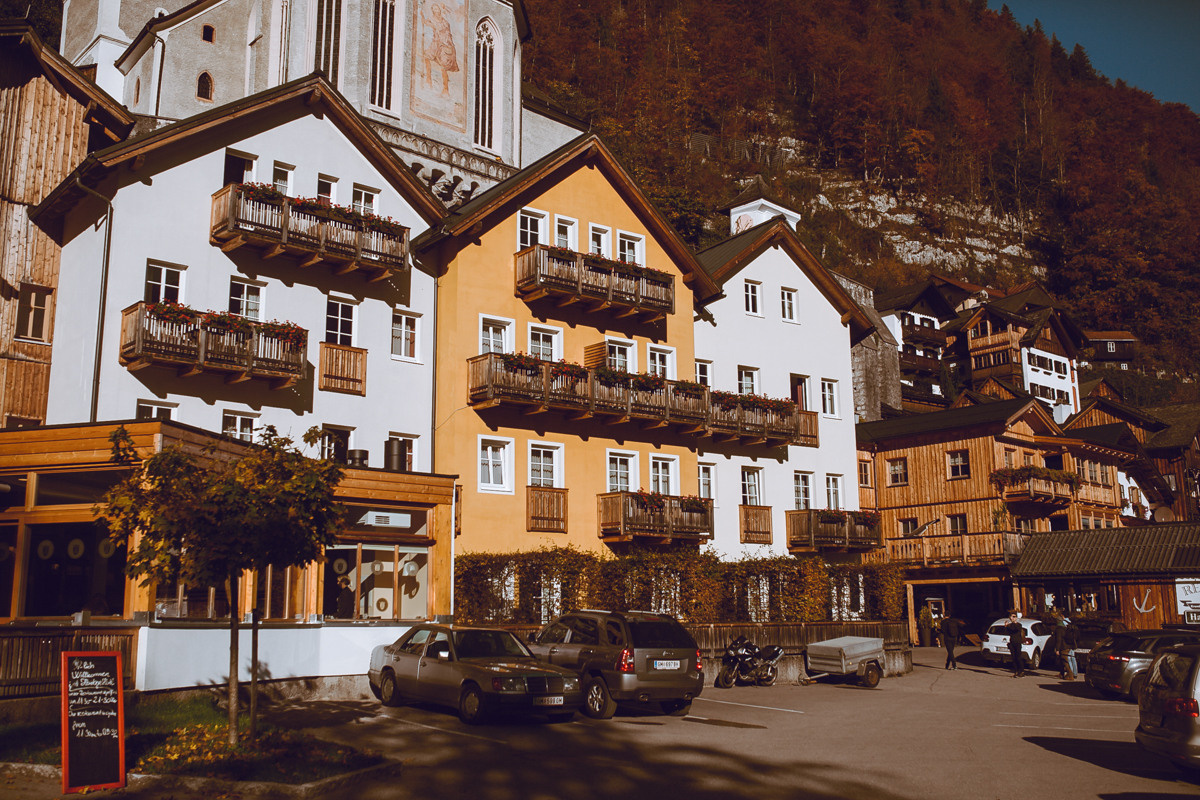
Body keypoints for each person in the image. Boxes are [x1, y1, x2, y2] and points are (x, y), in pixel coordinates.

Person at [1005, 612, 1025, 678]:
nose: (1012, 618)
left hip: (1018, 642)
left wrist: (1009, 625)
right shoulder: (1010, 625)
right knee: (1013, 658)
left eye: (1013, 617)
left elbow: (1015, 629)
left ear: (1016, 618)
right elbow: (1008, 631)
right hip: (1012, 642)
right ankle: (1016, 671)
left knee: (1018, 657)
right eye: (1011, 617)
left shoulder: (1019, 625)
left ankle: (1021, 671)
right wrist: (1007, 626)